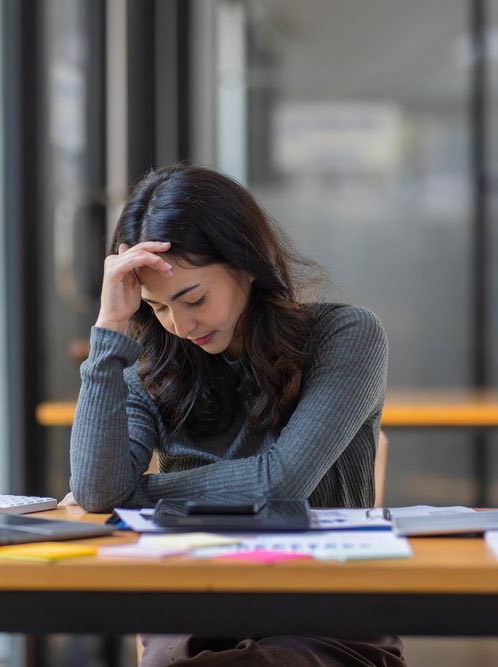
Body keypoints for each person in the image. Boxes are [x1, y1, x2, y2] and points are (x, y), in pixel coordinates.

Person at [69, 164, 405, 666]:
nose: (181, 325)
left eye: (194, 298)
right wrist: (109, 326)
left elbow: (279, 483)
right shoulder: (151, 366)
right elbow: (96, 491)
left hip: (322, 616)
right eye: (158, 308)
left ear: (246, 263)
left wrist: (137, 495)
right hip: (195, 604)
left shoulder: (347, 337)